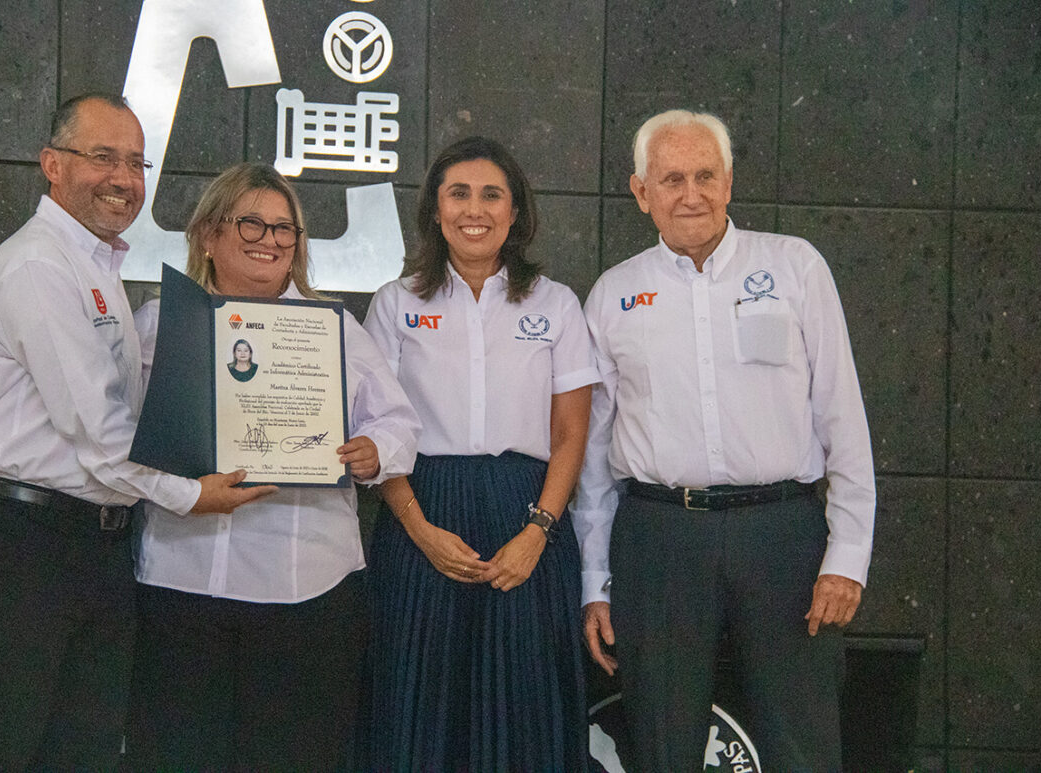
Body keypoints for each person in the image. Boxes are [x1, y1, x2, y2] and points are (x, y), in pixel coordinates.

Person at [0, 93, 273, 771]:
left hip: (89, 548)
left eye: (135, 161)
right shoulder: (39, 267)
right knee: (1, 751)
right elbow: (101, 432)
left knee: (78, 755)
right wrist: (192, 492)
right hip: (18, 550)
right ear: (51, 164)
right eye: (102, 156)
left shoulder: (94, 267)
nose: (123, 177)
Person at [575, 109, 876, 770]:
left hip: (783, 536)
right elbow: (593, 463)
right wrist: (595, 579)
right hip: (658, 538)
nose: (692, 193)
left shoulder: (794, 267)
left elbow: (842, 417)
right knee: (660, 740)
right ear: (640, 191)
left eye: (705, 174)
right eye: (672, 177)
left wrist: (847, 553)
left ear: (730, 182)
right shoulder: (614, 294)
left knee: (803, 738)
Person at [129, 162, 420, 771]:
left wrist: (373, 453)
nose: (270, 240)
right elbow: (120, 437)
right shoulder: (160, 323)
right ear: (209, 234)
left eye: (285, 229)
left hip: (306, 591)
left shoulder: (334, 327)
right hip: (182, 582)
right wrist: (182, 489)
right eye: (252, 224)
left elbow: (398, 424)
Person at [363, 136, 599, 771]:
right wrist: (419, 530)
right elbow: (378, 426)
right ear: (435, 211)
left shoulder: (555, 304)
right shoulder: (395, 303)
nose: (476, 209)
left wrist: (539, 532)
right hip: (422, 511)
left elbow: (571, 435)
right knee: (417, 704)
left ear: (515, 212)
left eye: (492, 194)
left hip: (528, 516)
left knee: (525, 707)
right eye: (458, 193)